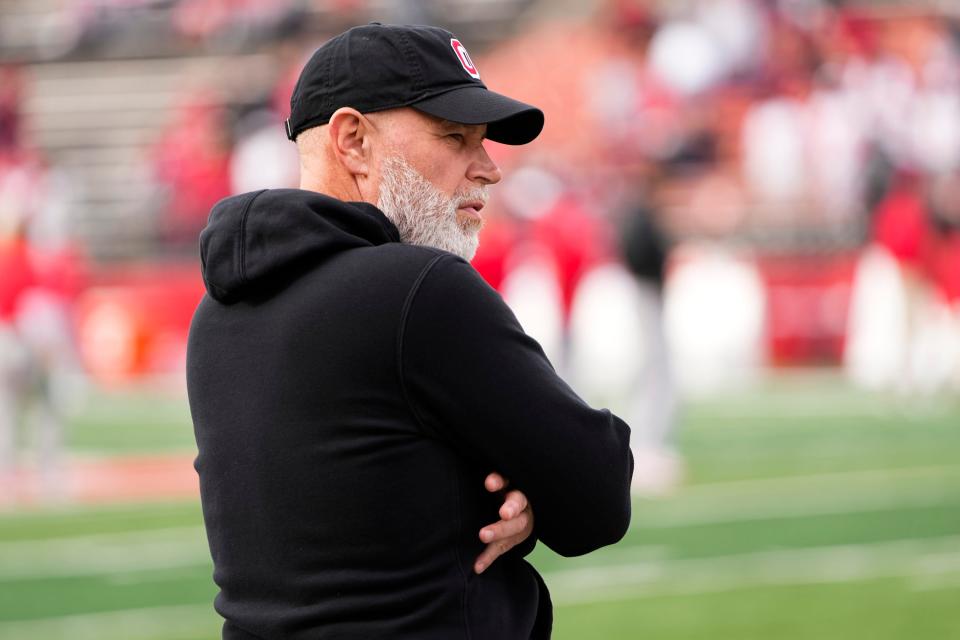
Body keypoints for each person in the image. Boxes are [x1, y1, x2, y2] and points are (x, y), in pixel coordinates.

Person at [187, 23, 634, 640]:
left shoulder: (217, 310)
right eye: (454, 137)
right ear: (353, 140)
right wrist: (535, 489)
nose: (488, 170)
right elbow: (599, 493)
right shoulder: (419, 287)